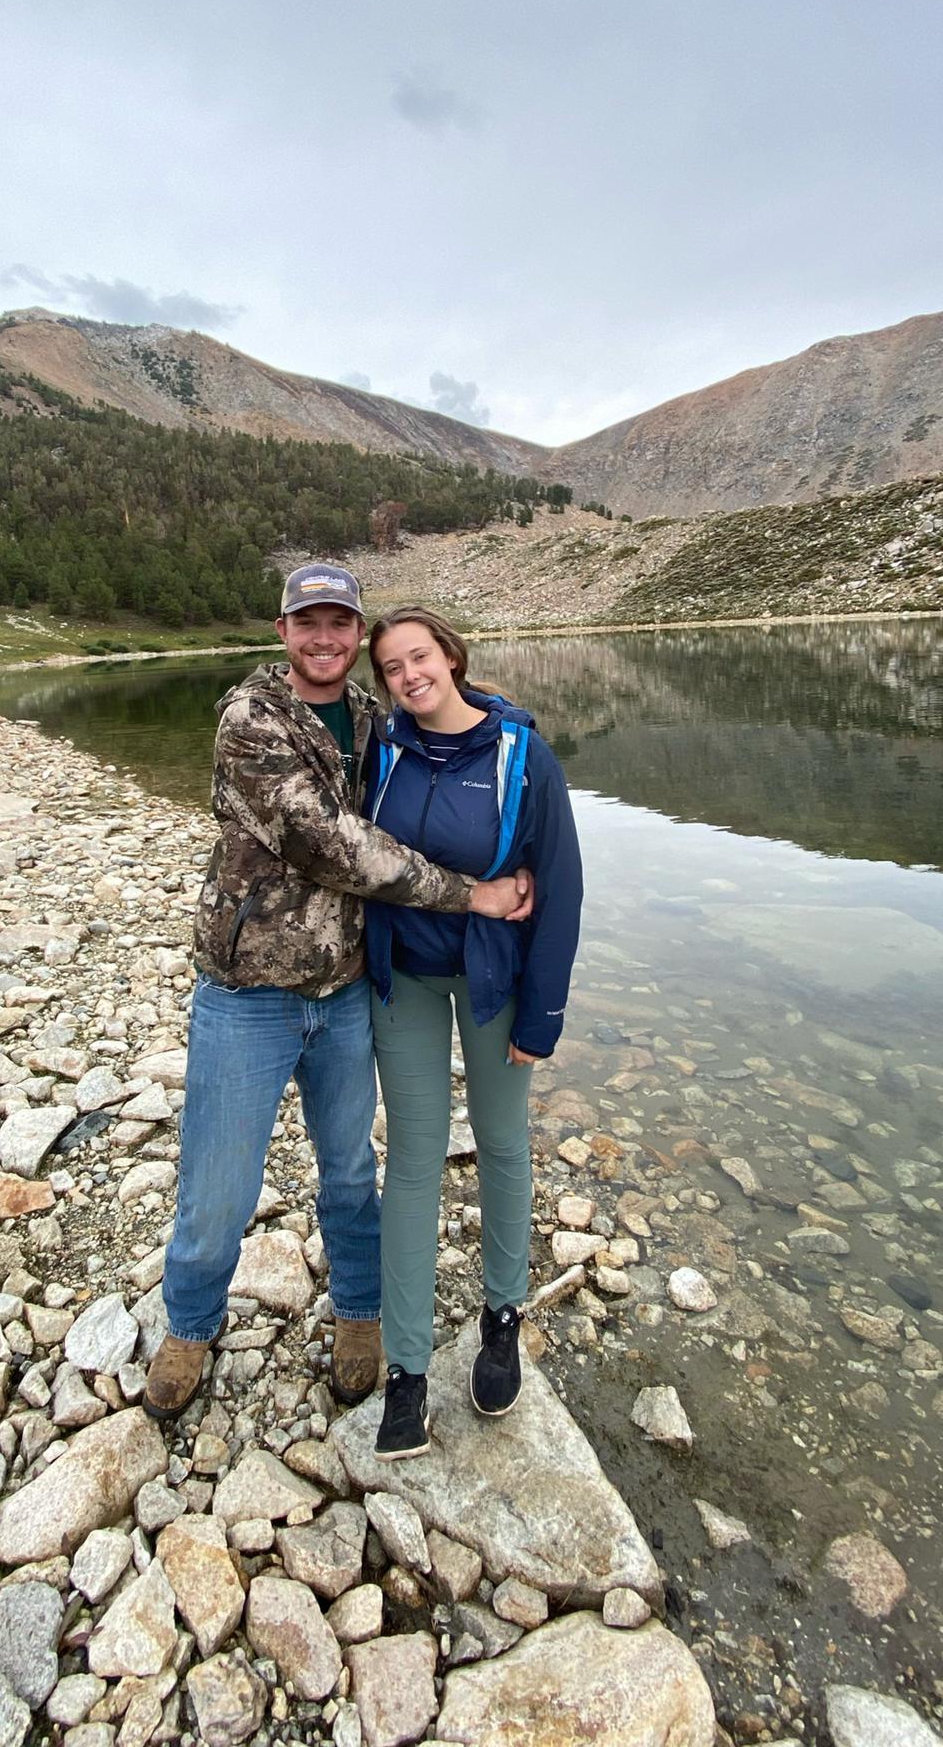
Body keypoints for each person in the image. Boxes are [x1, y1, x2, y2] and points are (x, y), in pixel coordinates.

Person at [146, 563, 533, 1421]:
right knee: (219, 1184)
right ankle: (190, 1326)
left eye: (340, 623)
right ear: (282, 631)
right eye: (307, 622)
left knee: (352, 1171)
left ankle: (360, 1314)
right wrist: (470, 895)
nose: (324, 638)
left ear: (358, 635)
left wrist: (508, 727)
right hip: (247, 992)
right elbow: (333, 846)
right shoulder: (250, 721)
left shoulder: (371, 717)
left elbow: (450, 723)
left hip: (347, 988)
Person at [362, 606, 582, 1460]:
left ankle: (501, 1316)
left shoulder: (521, 755)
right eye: (392, 667)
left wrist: (544, 1014)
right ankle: (406, 1371)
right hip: (406, 979)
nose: (409, 676)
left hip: (496, 980)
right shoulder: (381, 751)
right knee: (414, 1157)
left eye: (419, 657)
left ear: (451, 657)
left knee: (501, 1142)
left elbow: (559, 886)